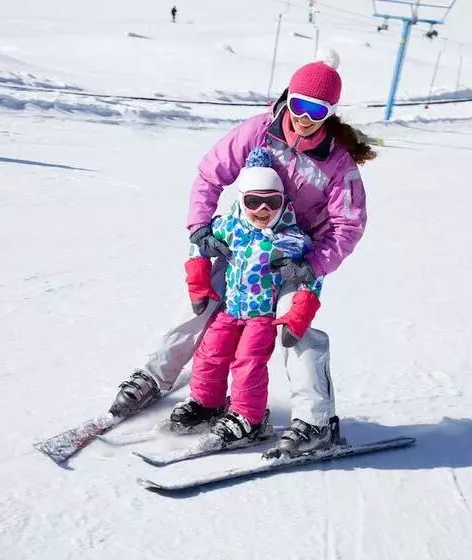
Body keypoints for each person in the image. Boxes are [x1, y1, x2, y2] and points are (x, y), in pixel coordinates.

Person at [109, 49, 375, 456]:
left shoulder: (337, 163)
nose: (305, 117)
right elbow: (210, 174)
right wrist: (200, 226)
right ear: (288, 97)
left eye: (318, 110)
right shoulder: (258, 131)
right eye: (300, 104)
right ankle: (155, 376)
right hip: (245, 242)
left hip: (295, 258)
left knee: (295, 330)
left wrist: (312, 265)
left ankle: (314, 421)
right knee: (199, 305)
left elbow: (348, 224)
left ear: (330, 113)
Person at [170, 148, 323, 446]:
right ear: (242, 200)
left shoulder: (290, 238)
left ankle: (248, 417)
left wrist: (299, 312)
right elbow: (198, 244)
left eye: (272, 202)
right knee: (209, 353)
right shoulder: (229, 226)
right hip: (229, 309)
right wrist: (199, 281)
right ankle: (206, 404)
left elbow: (310, 276)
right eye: (254, 201)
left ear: (283, 202)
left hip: (262, 316)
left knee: (248, 362)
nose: (262, 209)